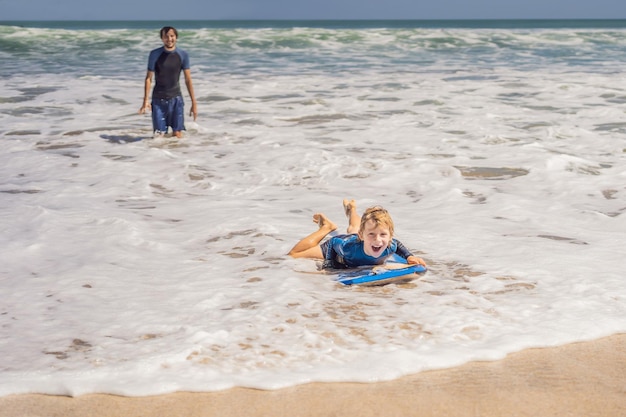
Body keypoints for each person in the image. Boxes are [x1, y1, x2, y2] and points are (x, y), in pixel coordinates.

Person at [288, 199, 426, 269]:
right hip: (339, 245)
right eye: (372, 234)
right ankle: (326, 227)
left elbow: (397, 245)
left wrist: (409, 256)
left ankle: (351, 209)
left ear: (390, 235)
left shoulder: (389, 244)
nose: (378, 240)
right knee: (293, 255)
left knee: (355, 227)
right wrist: (330, 263)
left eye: (383, 235)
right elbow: (334, 243)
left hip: (358, 238)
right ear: (363, 236)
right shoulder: (349, 250)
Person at [138, 26, 198, 138]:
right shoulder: (155, 54)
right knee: (159, 136)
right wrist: (145, 100)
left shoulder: (183, 55)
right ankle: (159, 155)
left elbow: (188, 79)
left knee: (177, 134)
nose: (169, 39)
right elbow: (148, 78)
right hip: (158, 100)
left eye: (172, 36)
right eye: (166, 36)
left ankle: (178, 155)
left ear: (176, 37)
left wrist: (194, 103)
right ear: (162, 38)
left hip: (176, 99)